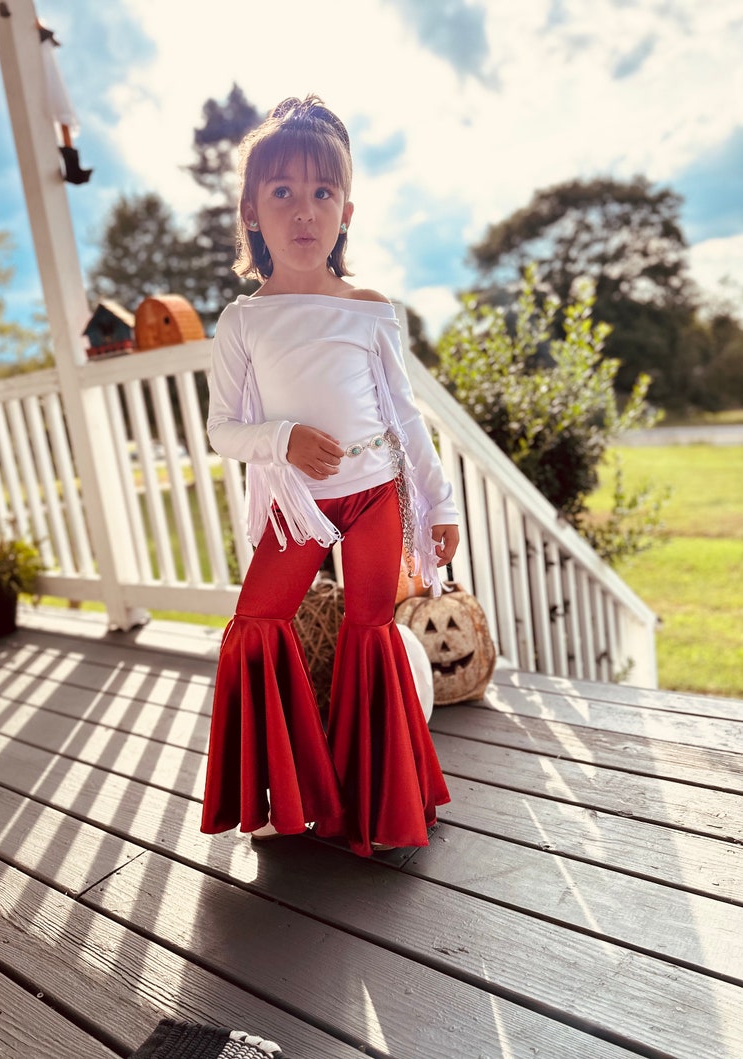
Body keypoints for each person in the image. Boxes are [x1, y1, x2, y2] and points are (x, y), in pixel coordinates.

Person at [200, 95, 459, 857]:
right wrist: (281, 438)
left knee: (369, 629)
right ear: (253, 209)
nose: (304, 210)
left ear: (347, 208)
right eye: (283, 191)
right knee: (256, 622)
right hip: (299, 506)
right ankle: (286, 791)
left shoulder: (369, 309)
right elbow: (222, 430)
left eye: (322, 193)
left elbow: (406, 418)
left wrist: (436, 502)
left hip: (376, 495)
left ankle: (376, 807)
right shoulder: (243, 320)